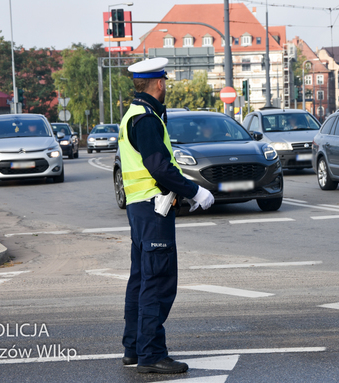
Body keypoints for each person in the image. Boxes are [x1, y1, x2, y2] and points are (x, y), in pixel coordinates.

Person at [118, 57, 215, 374]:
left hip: (139, 208)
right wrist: (195, 191)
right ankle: (151, 354)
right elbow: (158, 166)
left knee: (141, 280)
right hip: (153, 209)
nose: (165, 86)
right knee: (157, 282)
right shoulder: (145, 119)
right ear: (158, 83)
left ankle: (133, 349)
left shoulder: (133, 115)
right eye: (165, 82)